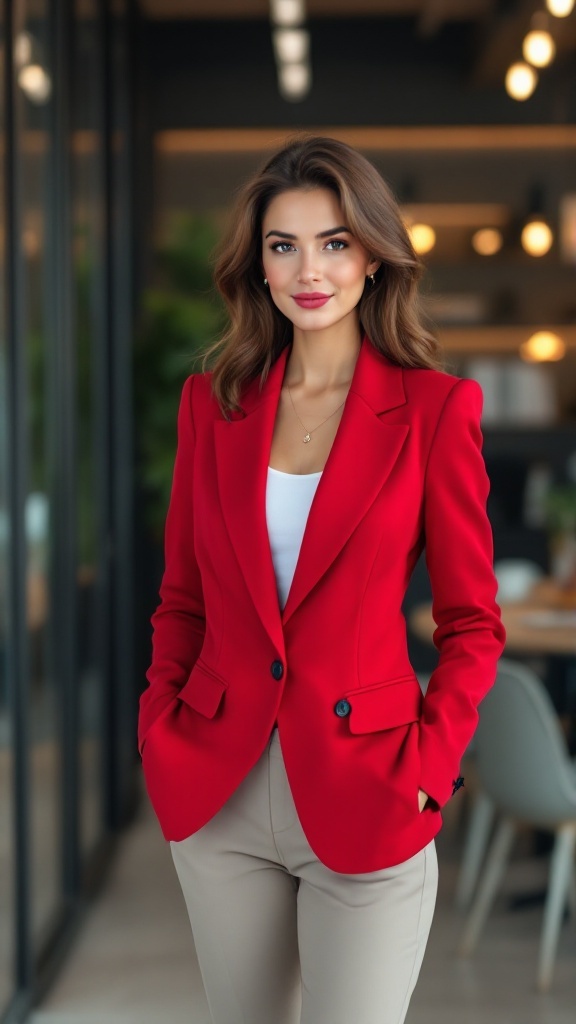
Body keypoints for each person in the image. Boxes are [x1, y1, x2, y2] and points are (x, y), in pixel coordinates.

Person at [138, 135, 506, 1024]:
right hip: (221, 791)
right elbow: (181, 600)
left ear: (373, 256)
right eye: (284, 245)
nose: (311, 269)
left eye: (335, 242)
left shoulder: (433, 411)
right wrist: (160, 728)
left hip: (368, 785)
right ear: (258, 266)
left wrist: (430, 765)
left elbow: (471, 624)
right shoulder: (213, 406)